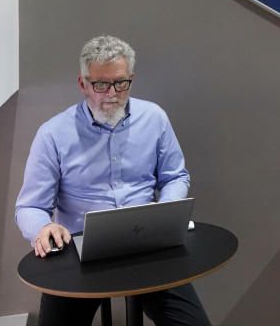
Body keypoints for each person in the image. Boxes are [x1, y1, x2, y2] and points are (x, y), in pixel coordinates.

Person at [15, 35, 209, 326]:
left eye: (120, 83)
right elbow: (28, 207)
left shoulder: (154, 118)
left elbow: (176, 176)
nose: (111, 94)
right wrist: (43, 228)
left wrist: (165, 213)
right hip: (78, 254)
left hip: (148, 244)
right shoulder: (53, 133)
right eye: (100, 85)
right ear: (83, 85)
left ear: (130, 80)